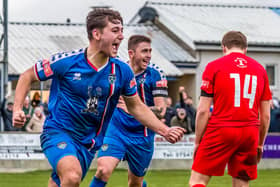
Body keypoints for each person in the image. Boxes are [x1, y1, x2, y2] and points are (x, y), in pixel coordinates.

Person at [12, 9, 185, 187]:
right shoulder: (67, 62)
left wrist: (165, 130)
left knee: (62, 182)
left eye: (122, 30)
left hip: (89, 142)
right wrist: (17, 109)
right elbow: (27, 76)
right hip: (58, 131)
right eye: (115, 30)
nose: (122, 36)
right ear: (96, 34)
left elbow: (136, 107)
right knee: (72, 177)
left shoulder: (122, 71)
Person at [188, 31, 271, 187]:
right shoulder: (260, 70)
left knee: (197, 181)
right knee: (241, 183)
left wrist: (198, 141)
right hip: (249, 132)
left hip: (221, 128)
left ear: (223, 48)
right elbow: (265, 116)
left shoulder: (214, 67)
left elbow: (203, 110)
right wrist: (260, 144)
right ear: (245, 49)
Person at [91, 35, 168, 187]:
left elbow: (161, 110)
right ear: (131, 54)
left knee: (134, 183)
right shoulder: (116, 71)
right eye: (144, 51)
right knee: (102, 170)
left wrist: (131, 109)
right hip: (116, 131)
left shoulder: (156, 74)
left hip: (142, 136)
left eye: (150, 51)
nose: (149, 55)